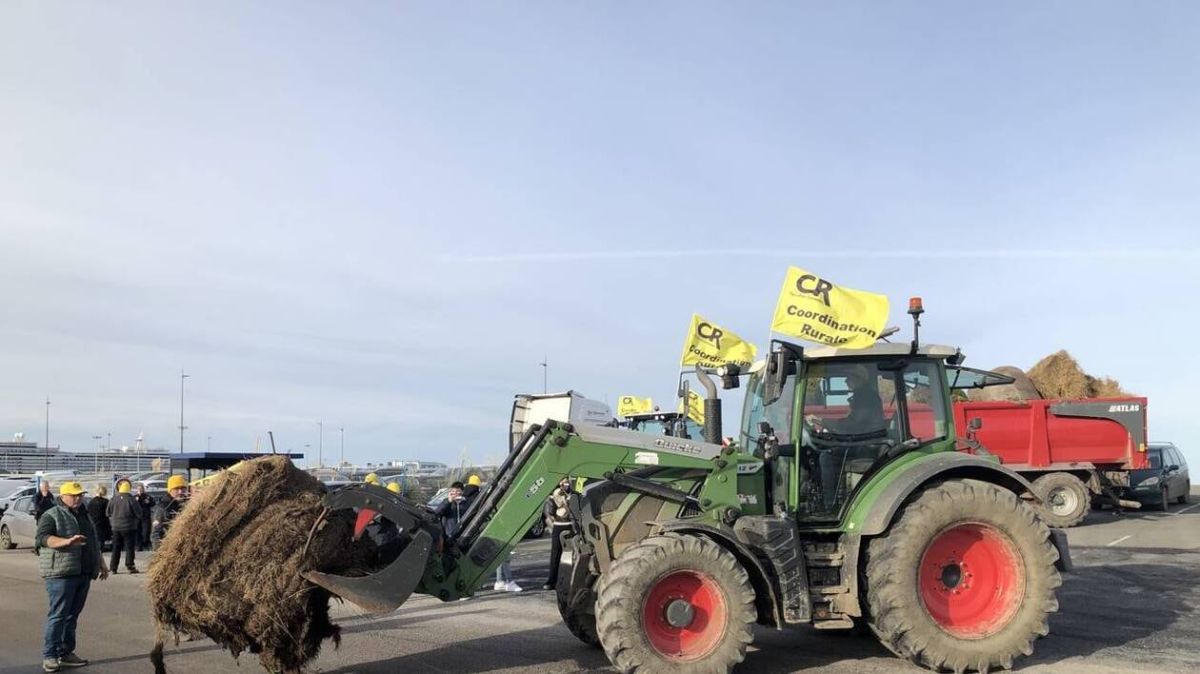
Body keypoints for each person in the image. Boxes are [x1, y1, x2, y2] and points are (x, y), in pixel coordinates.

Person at [36, 480, 109, 672]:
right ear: (63, 496)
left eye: (80, 495)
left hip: (84, 572)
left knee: (72, 616)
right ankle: (50, 655)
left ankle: (66, 652)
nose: (78, 498)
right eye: (74, 495)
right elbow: (43, 539)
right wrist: (67, 541)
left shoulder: (85, 515)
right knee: (58, 615)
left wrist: (101, 563)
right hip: (62, 574)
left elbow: (93, 541)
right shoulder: (51, 515)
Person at [542, 477, 573, 591]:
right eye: (562, 482)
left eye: (566, 481)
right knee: (555, 554)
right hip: (559, 526)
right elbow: (550, 512)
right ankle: (552, 580)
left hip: (572, 525)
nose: (564, 484)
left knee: (574, 553)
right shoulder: (556, 494)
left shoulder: (573, 492)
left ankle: (572, 579)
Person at [105, 479, 142, 573]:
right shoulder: (131, 499)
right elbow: (139, 513)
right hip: (129, 527)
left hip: (116, 527)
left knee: (116, 548)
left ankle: (113, 567)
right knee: (129, 548)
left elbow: (107, 512)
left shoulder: (113, 499)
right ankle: (130, 566)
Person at [151, 475, 188, 549]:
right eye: (176, 489)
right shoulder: (162, 508)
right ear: (170, 490)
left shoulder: (187, 504)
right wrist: (160, 553)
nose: (180, 492)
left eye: (182, 488)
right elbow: (156, 533)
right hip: (170, 549)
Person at [84, 485, 111, 552]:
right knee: (101, 538)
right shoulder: (106, 501)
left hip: (93, 521)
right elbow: (108, 512)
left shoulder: (91, 502)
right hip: (103, 522)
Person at [134, 484, 155, 551]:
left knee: (145, 532)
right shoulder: (135, 497)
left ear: (143, 489)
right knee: (137, 532)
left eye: (141, 489)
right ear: (137, 490)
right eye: (138, 489)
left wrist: (148, 502)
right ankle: (139, 546)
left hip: (145, 517)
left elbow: (153, 503)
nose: (140, 490)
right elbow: (132, 506)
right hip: (137, 517)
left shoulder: (147, 496)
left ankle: (145, 543)